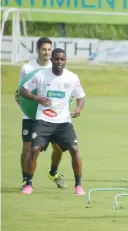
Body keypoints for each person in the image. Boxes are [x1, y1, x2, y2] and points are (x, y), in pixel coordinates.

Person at [19, 48, 86, 195]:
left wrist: (79, 108)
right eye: (56, 59)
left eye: (62, 59)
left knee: (74, 149)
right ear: (52, 60)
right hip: (43, 120)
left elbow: (80, 96)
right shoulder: (41, 75)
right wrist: (37, 98)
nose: (59, 62)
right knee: (34, 149)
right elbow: (23, 90)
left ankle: (78, 185)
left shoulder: (72, 77)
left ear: (65, 60)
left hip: (63, 122)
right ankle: (28, 183)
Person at [15, 37, 67, 190]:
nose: (47, 52)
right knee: (27, 148)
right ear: (38, 50)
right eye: (44, 49)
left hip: (52, 116)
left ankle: (54, 173)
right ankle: (26, 179)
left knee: (58, 147)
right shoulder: (27, 68)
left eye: (49, 50)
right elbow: (21, 93)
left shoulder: (55, 66)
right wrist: (26, 108)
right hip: (31, 116)